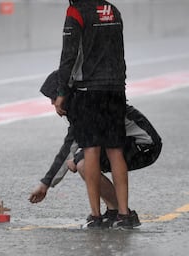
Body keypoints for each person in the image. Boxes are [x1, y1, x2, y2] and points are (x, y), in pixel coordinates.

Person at [29, 70, 162, 228]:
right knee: (83, 160)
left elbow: (69, 149)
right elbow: (70, 148)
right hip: (130, 143)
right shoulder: (83, 106)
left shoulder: (87, 109)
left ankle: (123, 214)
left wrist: (45, 184)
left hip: (145, 145)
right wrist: (46, 183)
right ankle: (115, 211)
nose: (52, 103)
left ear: (66, 95)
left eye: (53, 97)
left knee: (84, 163)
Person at [54, 0, 131, 228]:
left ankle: (96, 216)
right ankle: (125, 215)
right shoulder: (112, 9)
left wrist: (61, 91)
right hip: (116, 88)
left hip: (89, 90)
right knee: (116, 151)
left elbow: (69, 54)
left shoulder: (76, 11)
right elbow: (119, 50)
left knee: (91, 152)